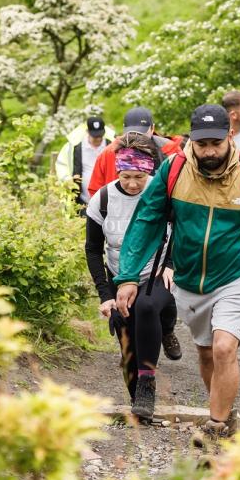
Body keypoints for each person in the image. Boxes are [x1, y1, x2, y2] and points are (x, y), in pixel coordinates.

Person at [114, 104, 240, 450]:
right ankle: (223, 409)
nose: (209, 151)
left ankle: (216, 427)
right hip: (191, 280)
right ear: (192, 141)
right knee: (207, 353)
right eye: (201, 144)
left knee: (225, 346)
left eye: (215, 143)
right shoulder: (174, 170)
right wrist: (129, 276)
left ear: (230, 136)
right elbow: (147, 220)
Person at [85, 133, 176, 420]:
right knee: (127, 344)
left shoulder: (161, 196)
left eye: (138, 176)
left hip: (155, 273)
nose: (133, 183)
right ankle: (140, 399)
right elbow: (92, 250)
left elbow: (181, 231)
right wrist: (106, 296)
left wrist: (171, 264)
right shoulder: (102, 200)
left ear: (149, 171)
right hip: (118, 275)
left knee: (146, 307)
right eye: (126, 176)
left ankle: (148, 383)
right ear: (117, 171)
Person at [86, 106, 183, 199]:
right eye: (132, 133)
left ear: (152, 128)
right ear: (124, 129)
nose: (136, 138)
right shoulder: (108, 154)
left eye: (141, 133)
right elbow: (95, 190)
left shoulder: (170, 151)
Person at [55, 115, 114, 205]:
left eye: (100, 136)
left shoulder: (111, 146)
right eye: (95, 137)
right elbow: (61, 165)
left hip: (107, 200)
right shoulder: (74, 147)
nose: (98, 139)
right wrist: (68, 180)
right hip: (82, 200)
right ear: (87, 132)